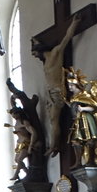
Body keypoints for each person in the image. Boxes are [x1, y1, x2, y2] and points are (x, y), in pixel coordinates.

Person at [33, 14, 80, 156]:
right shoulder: (45, 61)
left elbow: (66, 38)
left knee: (54, 120)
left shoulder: (55, 53)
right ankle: (55, 145)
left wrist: (74, 24)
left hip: (58, 92)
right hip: (50, 93)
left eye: (35, 52)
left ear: (40, 50)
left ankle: (54, 146)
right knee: (52, 121)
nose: (34, 55)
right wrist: (35, 41)